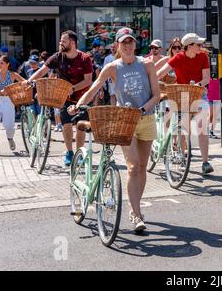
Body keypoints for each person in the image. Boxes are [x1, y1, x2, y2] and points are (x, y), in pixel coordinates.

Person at [68, 27, 160, 233]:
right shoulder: (112, 67)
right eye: (123, 43)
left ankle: (134, 205)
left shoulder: (147, 64)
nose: (127, 46)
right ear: (117, 46)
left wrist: (142, 108)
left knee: (143, 166)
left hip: (146, 118)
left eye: (131, 42)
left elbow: (156, 95)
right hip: (125, 121)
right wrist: (78, 104)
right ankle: (136, 215)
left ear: (135, 45)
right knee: (133, 167)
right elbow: (93, 89)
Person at [25, 30, 93, 166]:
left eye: (64, 41)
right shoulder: (58, 57)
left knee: (80, 127)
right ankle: (69, 152)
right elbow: (43, 70)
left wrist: (73, 88)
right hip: (64, 97)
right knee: (66, 125)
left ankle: (79, 153)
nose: (60, 43)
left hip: (82, 98)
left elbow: (88, 81)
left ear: (72, 43)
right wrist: (29, 81)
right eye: (60, 41)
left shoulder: (84, 58)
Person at [156, 33, 214, 175]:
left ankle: (205, 162)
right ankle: (181, 154)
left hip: (198, 94)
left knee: (202, 127)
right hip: (180, 95)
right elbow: (160, 73)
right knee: (183, 127)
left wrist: (197, 84)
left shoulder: (203, 57)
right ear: (189, 46)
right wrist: (154, 82)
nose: (201, 47)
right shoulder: (179, 57)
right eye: (198, 45)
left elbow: (207, 78)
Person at [0, 56, 26, 155]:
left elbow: (24, 82)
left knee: (9, 125)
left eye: (2, 63)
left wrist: (16, 89)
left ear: (7, 64)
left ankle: (10, 138)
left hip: (8, 101)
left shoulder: (13, 75)